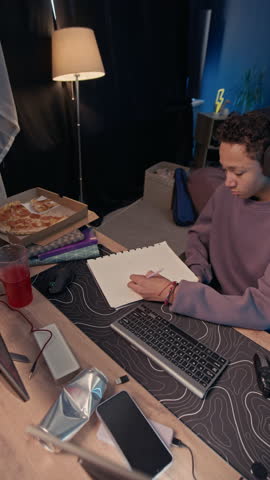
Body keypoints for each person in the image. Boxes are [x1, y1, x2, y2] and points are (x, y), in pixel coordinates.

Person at [128, 112, 270, 330]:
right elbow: (199, 236)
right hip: (210, 298)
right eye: (225, 169)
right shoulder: (227, 191)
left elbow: (262, 310)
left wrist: (173, 292)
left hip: (250, 322)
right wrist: (196, 269)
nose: (228, 181)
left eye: (238, 172)